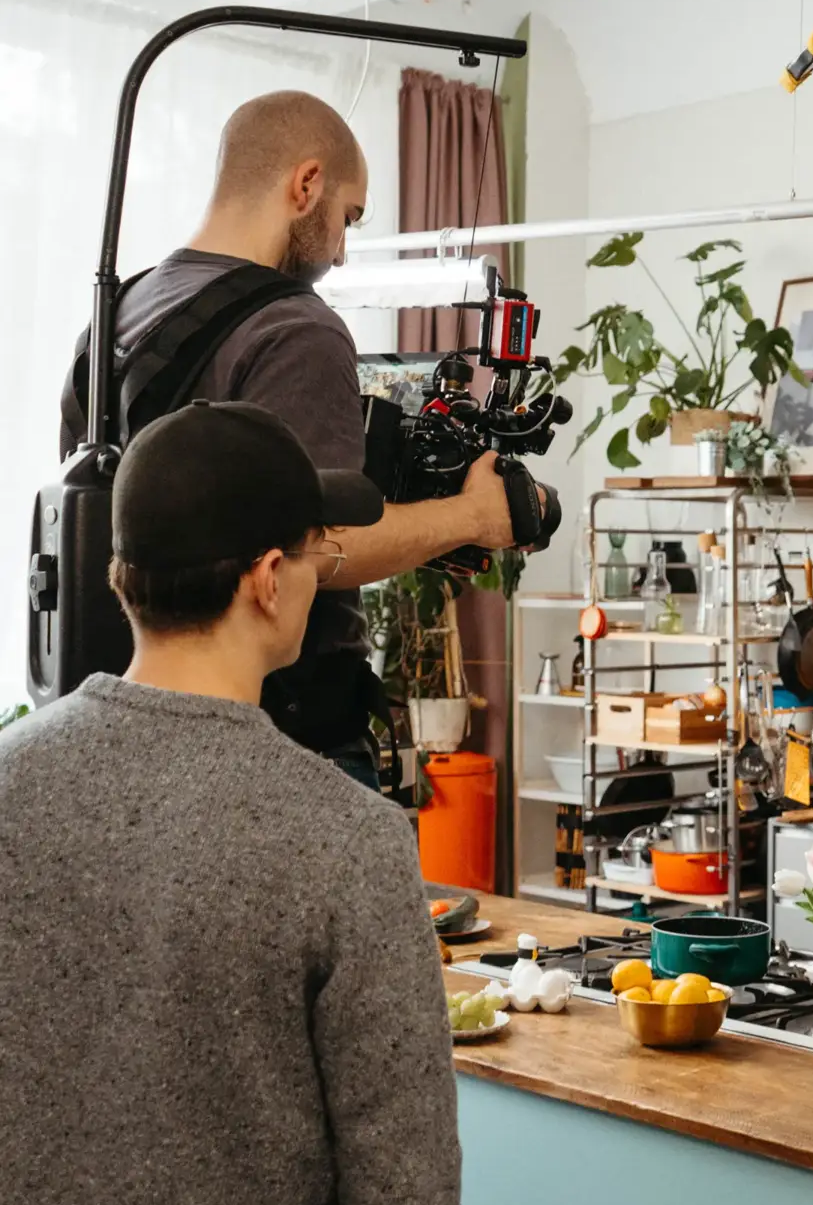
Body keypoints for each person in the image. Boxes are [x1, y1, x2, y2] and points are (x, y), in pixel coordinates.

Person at [0, 402, 463, 1205]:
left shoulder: (10, 794)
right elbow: (400, 1171)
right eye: (316, 555)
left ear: (115, 577)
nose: (320, 577)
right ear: (269, 584)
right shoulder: (342, 838)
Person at [60, 89, 526, 786]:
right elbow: (321, 546)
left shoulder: (112, 320)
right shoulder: (294, 329)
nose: (340, 252)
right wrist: (473, 517)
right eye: (347, 218)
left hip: (134, 719)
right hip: (287, 731)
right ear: (306, 184)